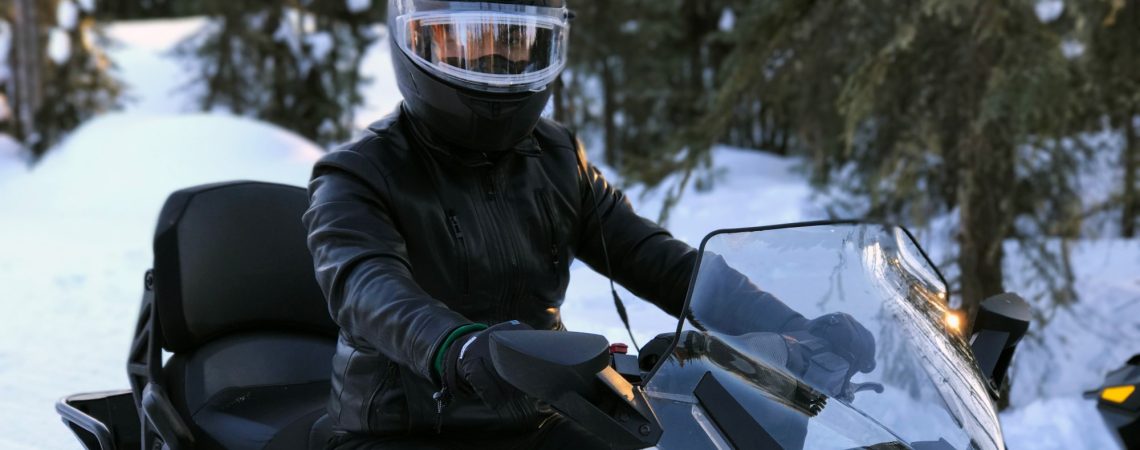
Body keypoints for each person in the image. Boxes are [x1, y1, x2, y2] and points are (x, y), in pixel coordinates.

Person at [302, 0, 875, 448]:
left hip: (543, 412)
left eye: (517, 46)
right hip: (406, 430)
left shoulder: (554, 156)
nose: (497, 65)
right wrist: (457, 345)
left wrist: (801, 330)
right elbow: (366, 285)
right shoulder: (358, 174)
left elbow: (657, 259)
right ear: (414, 41)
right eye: (468, 45)